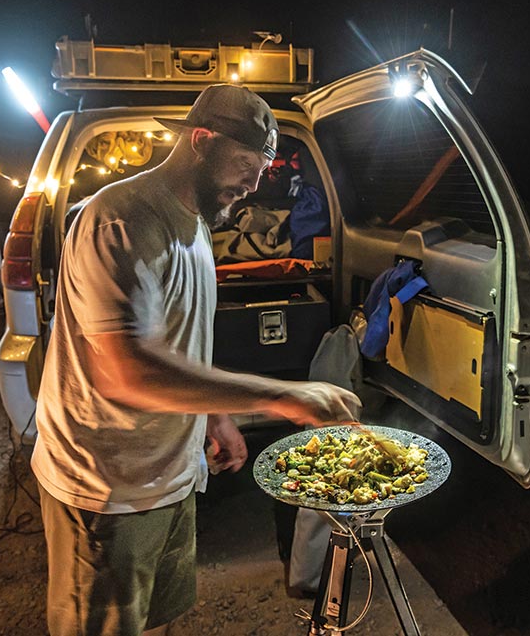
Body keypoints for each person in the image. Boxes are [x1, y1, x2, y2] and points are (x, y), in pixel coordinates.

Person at [30, 83, 362, 636]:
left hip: (172, 475)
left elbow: (177, 343)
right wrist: (283, 396)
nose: (254, 186)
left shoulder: (200, 224)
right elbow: (130, 370)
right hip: (107, 485)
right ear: (201, 141)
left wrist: (213, 415)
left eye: (263, 171)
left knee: (157, 618)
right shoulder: (122, 220)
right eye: (246, 166)